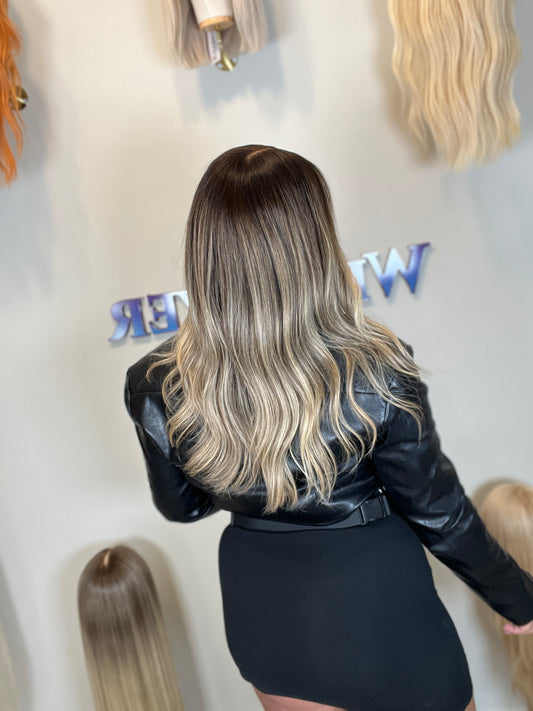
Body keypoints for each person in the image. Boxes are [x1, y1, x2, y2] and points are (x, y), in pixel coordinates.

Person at [124, 144, 533, 711]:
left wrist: (251, 468)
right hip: (377, 606)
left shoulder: (155, 381)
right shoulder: (378, 368)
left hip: (264, 609)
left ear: (206, 252)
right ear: (314, 243)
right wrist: (518, 598)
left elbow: (184, 506)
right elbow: (438, 512)